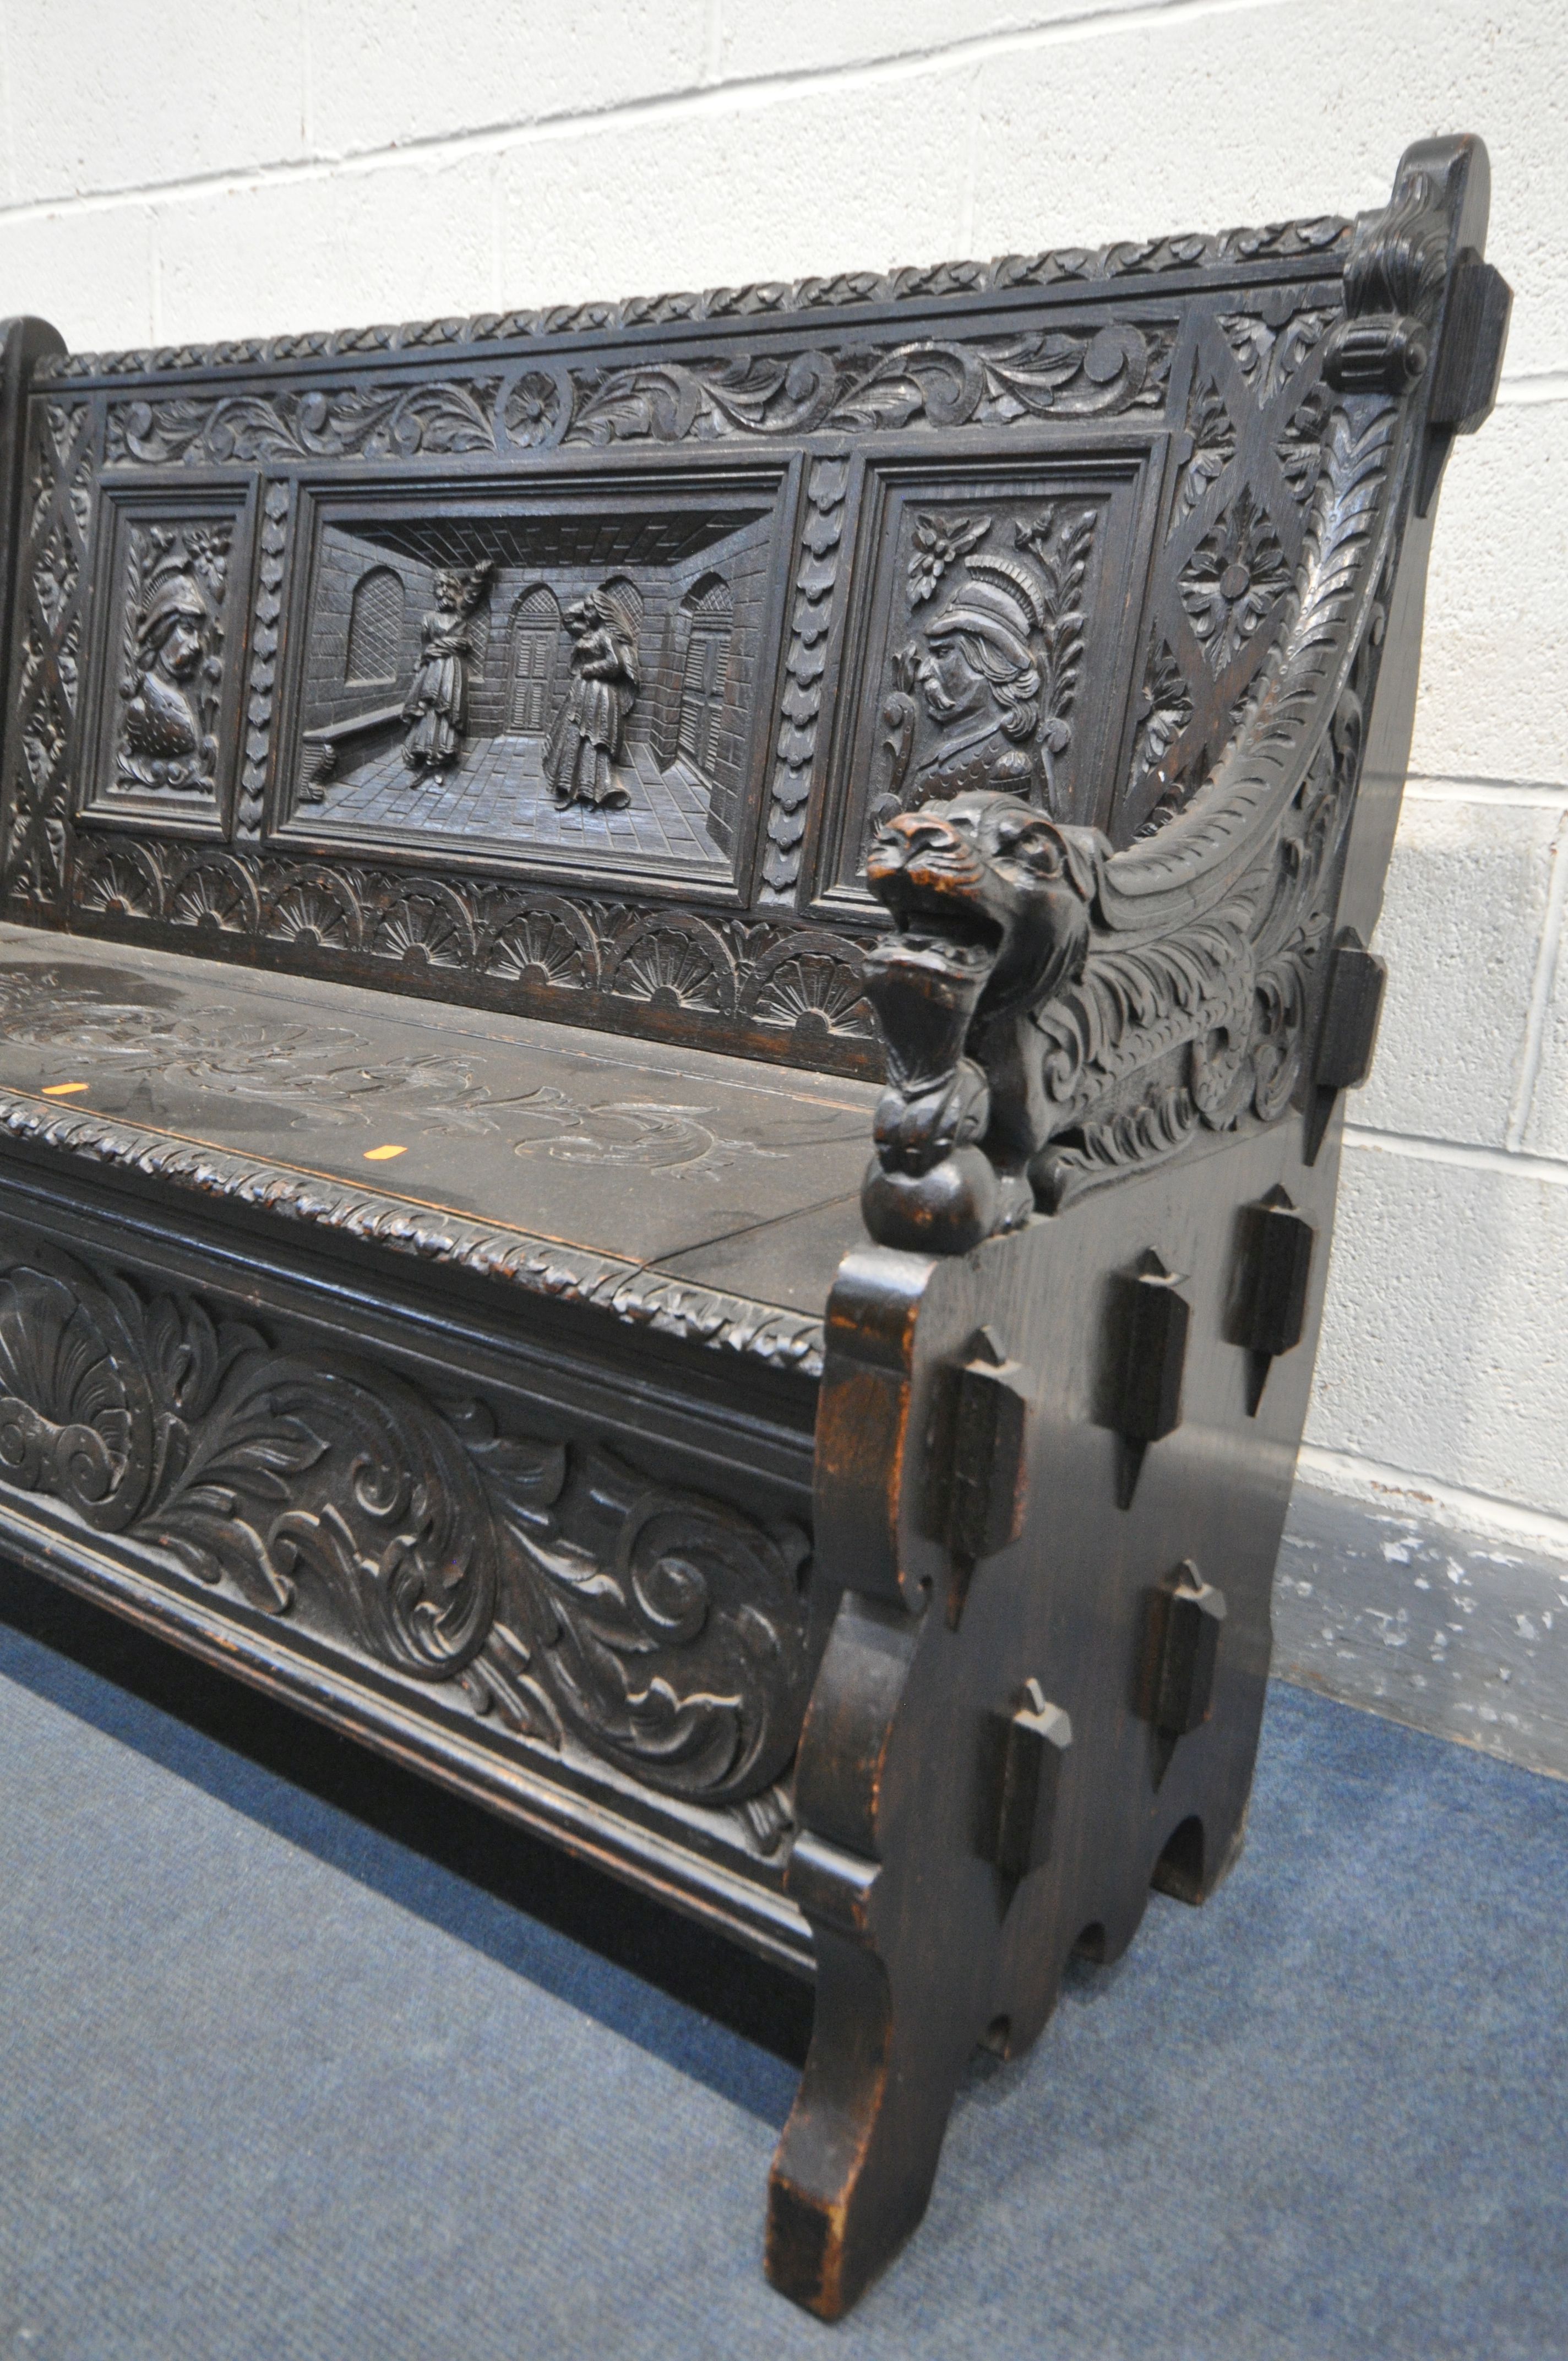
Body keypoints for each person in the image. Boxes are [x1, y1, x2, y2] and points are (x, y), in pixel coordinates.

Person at [543, 581, 640, 811]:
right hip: (582, 693)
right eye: (585, 610)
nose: (586, 614)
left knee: (595, 743)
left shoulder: (606, 636)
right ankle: (572, 790)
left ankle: (597, 793)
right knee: (573, 739)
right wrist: (587, 604)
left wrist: (591, 669)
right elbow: (567, 619)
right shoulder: (587, 632)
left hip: (600, 693)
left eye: (590, 610)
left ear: (602, 612)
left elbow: (615, 664)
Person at [402, 566, 491, 776]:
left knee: (448, 711)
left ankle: (442, 757)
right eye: (439, 587)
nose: (444, 591)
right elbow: (425, 647)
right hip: (432, 670)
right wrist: (431, 653)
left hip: (452, 670)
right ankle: (424, 754)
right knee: (429, 709)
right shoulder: (429, 619)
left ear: (455, 592)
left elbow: (463, 643)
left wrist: (478, 577)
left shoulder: (459, 618)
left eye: (448, 587)